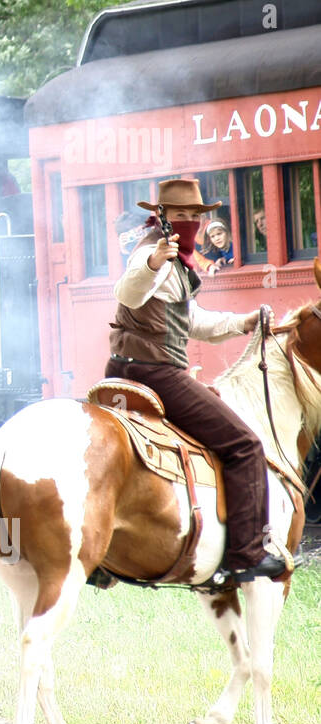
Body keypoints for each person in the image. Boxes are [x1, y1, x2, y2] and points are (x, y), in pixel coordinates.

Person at [106, 179, 287, 582]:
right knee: (244, 445)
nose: (188, 222)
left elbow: (192, 322)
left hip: (121, 368)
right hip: (156, 374)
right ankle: (245, 555)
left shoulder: (178, 261)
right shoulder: (154, 253)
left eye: (194, 216)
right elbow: (129, 291)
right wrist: (154, 262)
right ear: (163, 218)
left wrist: (242, 322)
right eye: (179, 215)